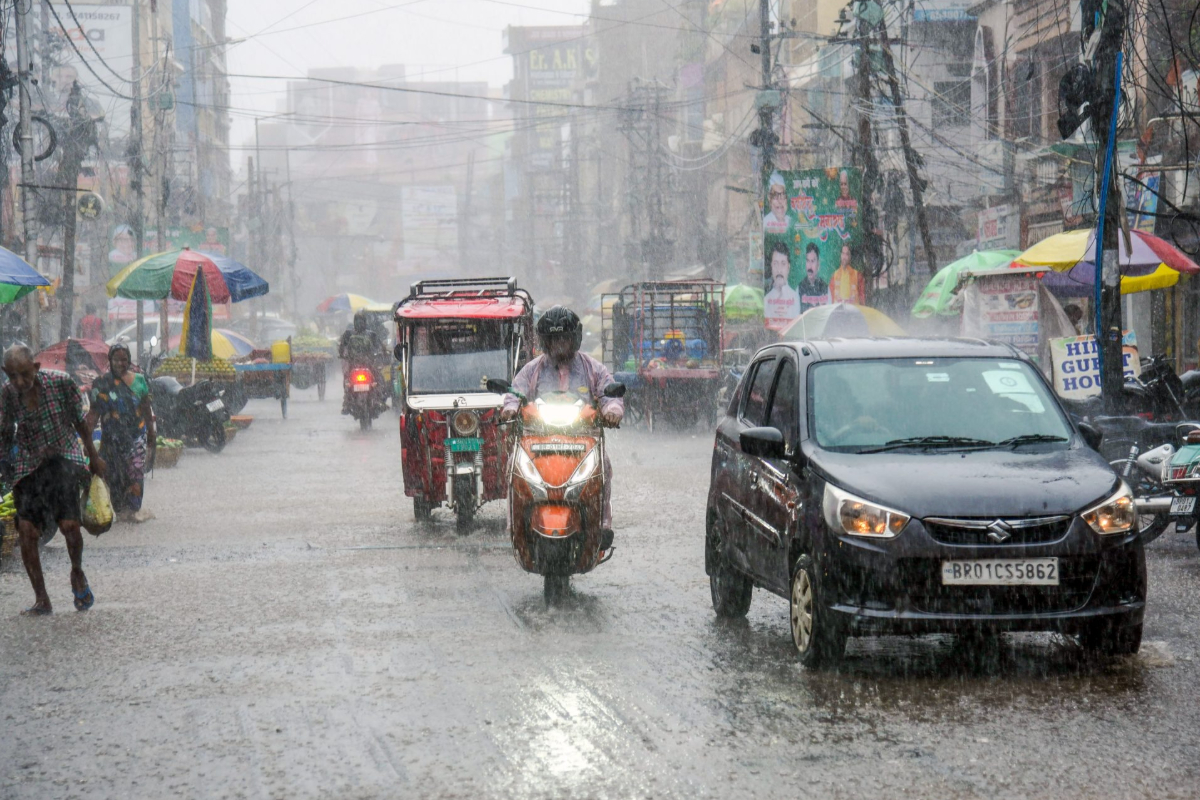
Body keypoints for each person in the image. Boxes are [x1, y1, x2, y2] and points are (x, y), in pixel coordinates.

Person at [500, 306, 623, 546]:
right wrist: (510, 408)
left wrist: (612, 412)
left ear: (574, 339)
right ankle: (515, 525)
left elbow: (611, 394)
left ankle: (602, 524)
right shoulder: (531, 370)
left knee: (604, 467)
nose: (560, 344)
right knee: (512, 468)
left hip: (583, 438)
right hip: (538, 438)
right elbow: (515, 392)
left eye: (564, 338)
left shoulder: (593, 368)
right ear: (545, 341)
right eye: (554, 339)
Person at [0, 343, 106, 616]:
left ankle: (77, 571)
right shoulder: (8, 394)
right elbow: (4, 433)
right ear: (5, 374)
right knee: (26, 533)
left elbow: (80, 423)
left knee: (70, 525)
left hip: (63, 457)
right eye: (13, 376)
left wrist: (93, 457)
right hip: (28, 463)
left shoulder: (61, 383)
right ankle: (42, 598)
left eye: (25, 374)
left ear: (36, 367)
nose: (20, 382)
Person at [86, 344, 155, 523]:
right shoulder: (101, 384)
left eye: (124, 359)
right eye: (116, 359)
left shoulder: (139, 381)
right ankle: (120, 511)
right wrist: (87, 439)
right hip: (111, 440)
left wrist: (151, 437)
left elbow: (146, 409)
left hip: (136, 439)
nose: (120, 363)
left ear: (129, 360)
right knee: (114, 476)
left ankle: (133, 512)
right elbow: (93, 414)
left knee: (135, 474)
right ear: (110, 361)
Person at [339, 311, 386, 414]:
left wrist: (342, 355)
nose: (360, 323)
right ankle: (378, 401)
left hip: (356, 364)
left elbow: (341, 347)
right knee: (376, 379)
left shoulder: (349, 334)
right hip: (367, 364)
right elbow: (381, 348)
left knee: (348, 380)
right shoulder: (371, 334)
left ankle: (347, 403)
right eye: (358, 321)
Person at [763, 242, 801, 329]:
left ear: (788, 267)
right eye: (775, 264)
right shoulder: (766, 299)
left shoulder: (795, 298)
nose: (779, 270)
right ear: (771, 266)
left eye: (783, 264)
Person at [797, 242, 831, 312]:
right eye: (808, 261)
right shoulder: (799, 289)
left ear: (818, 264)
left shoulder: (826, 289)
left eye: (812, 261)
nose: (809, 266)